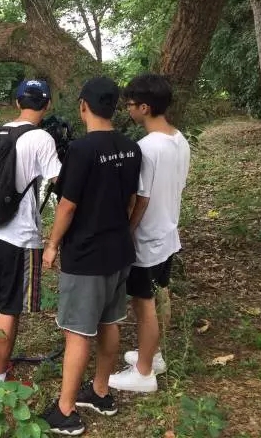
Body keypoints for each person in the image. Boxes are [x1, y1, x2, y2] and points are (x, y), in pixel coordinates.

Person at [41, 76, 141, 435]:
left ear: (83, 105)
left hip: (86, 255)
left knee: (78, 332)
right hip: (119, 250)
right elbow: (131, 200)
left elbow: (67, 206)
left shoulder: (82, 150)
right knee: (110, 322)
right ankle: (100, 392)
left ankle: (65, 410)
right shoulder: (132, 148)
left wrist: (52, 245)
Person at [0, 79, 61, 399]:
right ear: (47, 105)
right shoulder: (42, 138)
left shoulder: (0, 132)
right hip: (20, 236)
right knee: (10, 307)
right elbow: (59, 180)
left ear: (17, 102)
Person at [108, 73, 190, 392]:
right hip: (168, 231)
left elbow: (140, 199)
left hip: (148, 237)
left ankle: (143, 374)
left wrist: (127, 231)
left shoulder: (146, 148)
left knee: (144, 305)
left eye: (130, 104)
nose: (127, 109)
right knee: (159, 293)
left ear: (144, 107)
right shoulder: (179, 139)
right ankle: (153, 356)